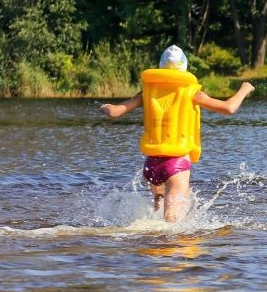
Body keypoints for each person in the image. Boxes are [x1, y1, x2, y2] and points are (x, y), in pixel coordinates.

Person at [100, 45, 256, 222]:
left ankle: (152, 246)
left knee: (158, 208)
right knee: (171, 225)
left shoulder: (147, 93)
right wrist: (245, 88)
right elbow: (229, 108)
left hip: (151, 164)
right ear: (185, 68)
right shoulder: (193, 93)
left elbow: (114, 112)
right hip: (176, 164)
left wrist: (103, 106)